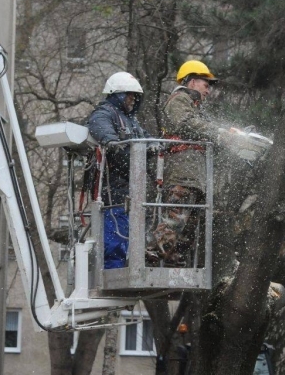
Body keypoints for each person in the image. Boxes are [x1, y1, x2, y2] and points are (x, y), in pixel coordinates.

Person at [147, 60, 220, 266]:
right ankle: (153, 251)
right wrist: (218, 132)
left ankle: (173, 258)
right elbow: (187, 125)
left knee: (189, 224)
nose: (208, 91)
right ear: (193, 82)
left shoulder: (194, 107)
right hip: (182, 172)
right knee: (175, 217)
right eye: (206, 85)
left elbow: (202, 133)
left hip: (194, 175)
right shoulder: (179, 100)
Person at [87, 72, 149, 269]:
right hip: (112, 190)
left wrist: (159, 145)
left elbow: (145, 138)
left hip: (130, 189)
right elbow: (99, 126)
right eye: (129, 95)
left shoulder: (132, 122)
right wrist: (111, 141)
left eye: (134, 96)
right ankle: (112, 270)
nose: (132, 100)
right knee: (115, 236)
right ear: (118, 94)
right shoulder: (105, 113)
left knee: (127, 235)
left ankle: (121, 267)